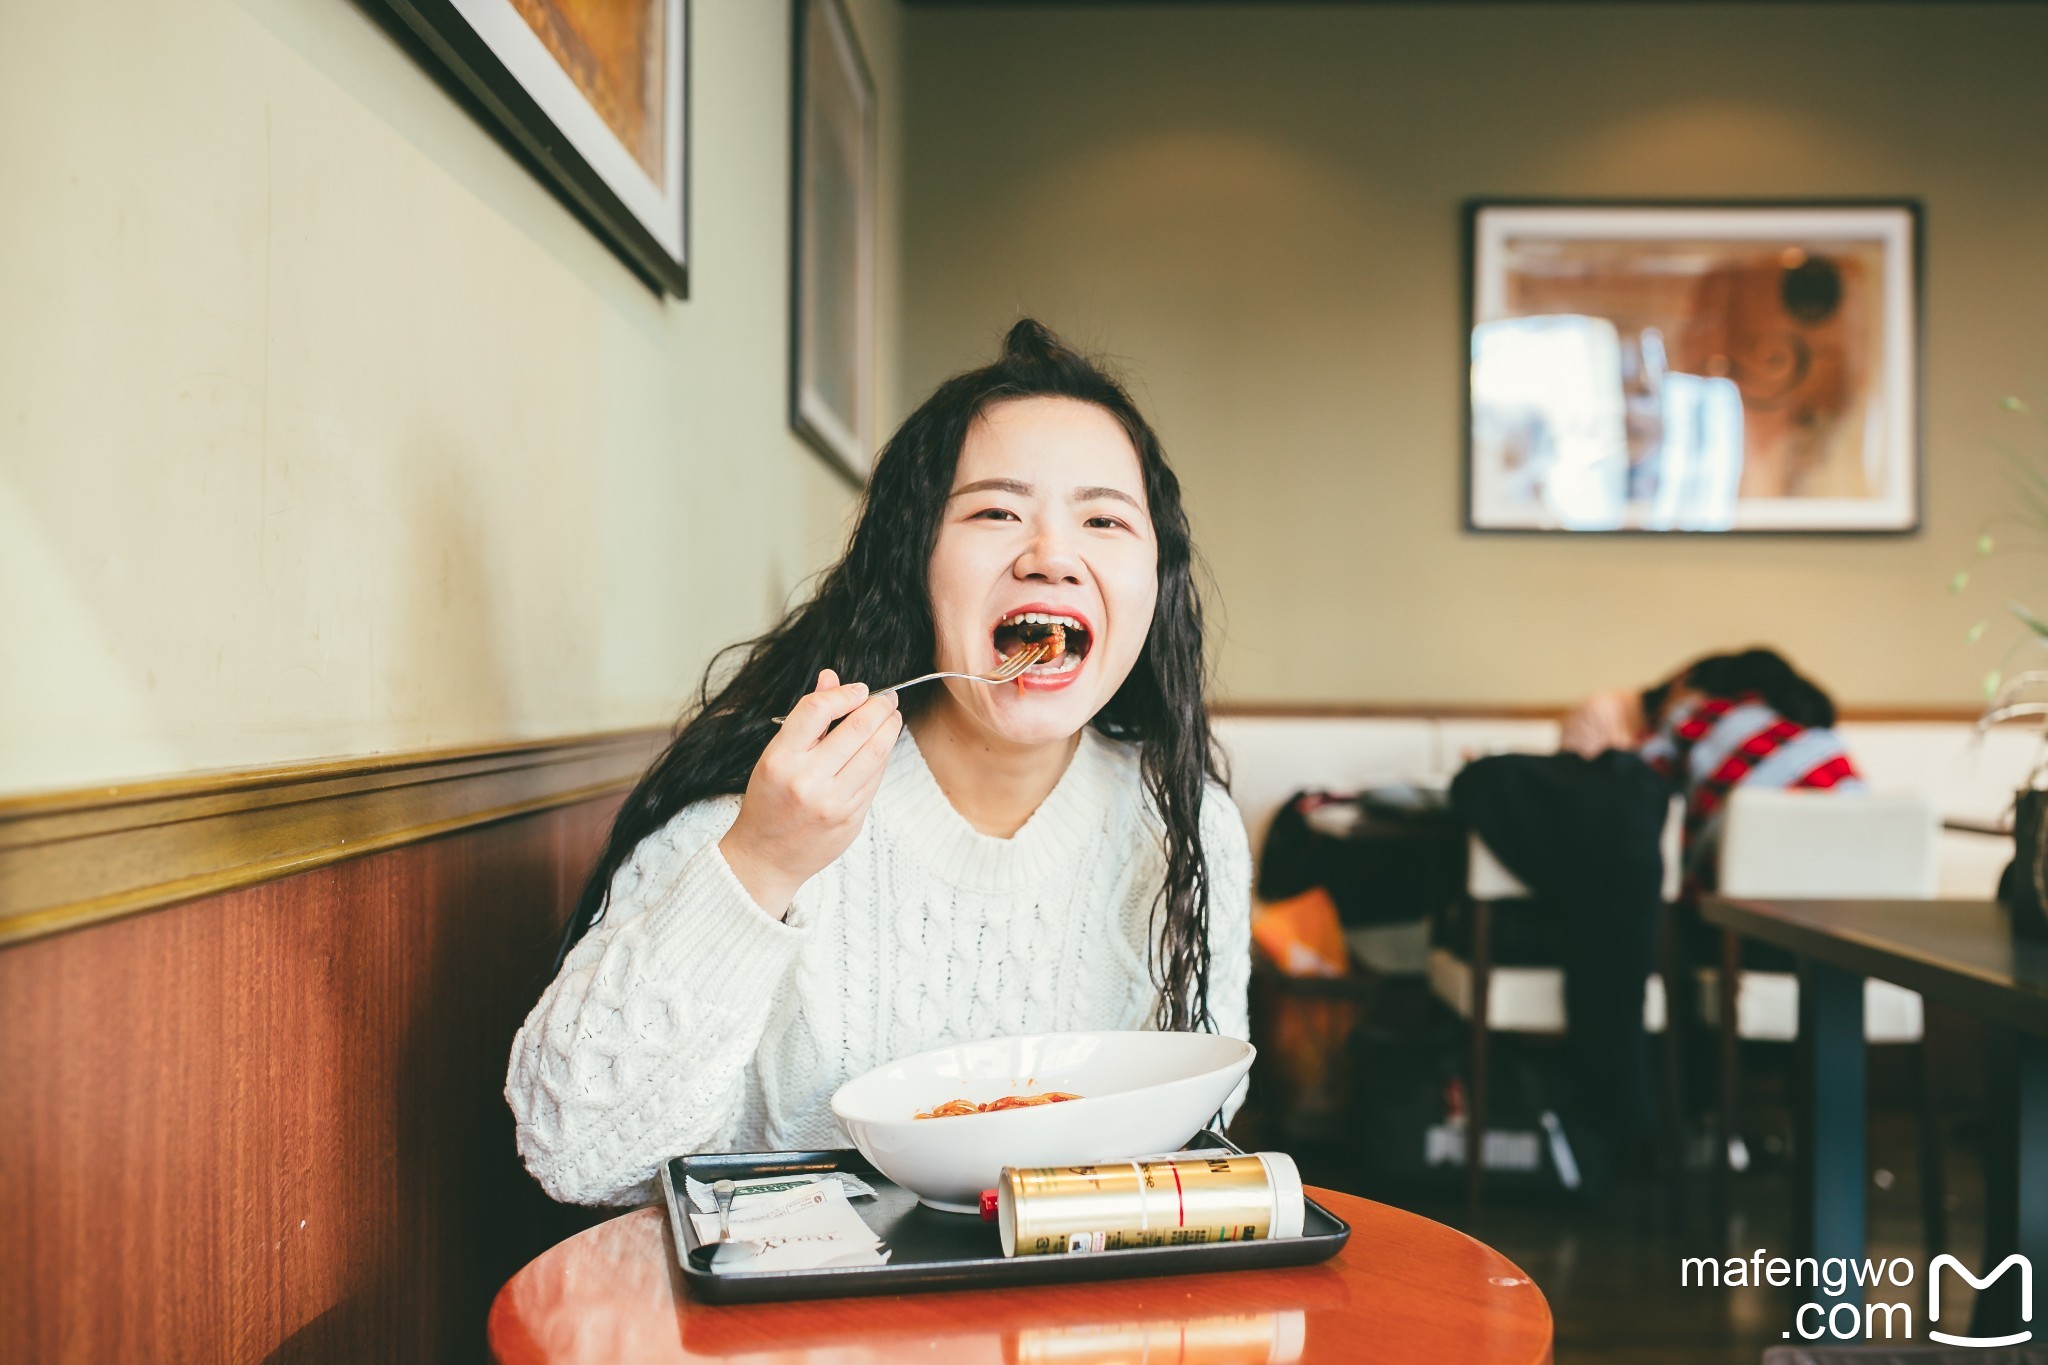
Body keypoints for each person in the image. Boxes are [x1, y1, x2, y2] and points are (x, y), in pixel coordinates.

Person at [506, 321, 1252, 1206]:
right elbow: (572, 1151)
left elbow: (1202, 1126)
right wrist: (762, 861)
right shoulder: (784, 799)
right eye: (995, 512)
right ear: (916, 563)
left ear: (1155, 580)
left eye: (1103, 519)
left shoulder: (1187, 824)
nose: (1051, 555)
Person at [1563, 646, 1863, 880]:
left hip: (1750, 874)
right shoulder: (1816, 735)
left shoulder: (1697, 717)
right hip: (1852, 861)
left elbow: (1639, 781)